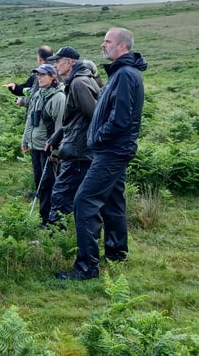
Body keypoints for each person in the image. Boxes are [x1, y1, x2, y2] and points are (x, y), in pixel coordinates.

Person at [57, 27, 147, 281]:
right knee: (113, 200)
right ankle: (117, 252)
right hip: (114, 150)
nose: (102, 45)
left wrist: (97, 138)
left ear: (122, 46)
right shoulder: (122, 73)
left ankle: (86, 268)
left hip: (111, 151)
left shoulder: (126, 75)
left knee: (84, 201)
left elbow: (120, 120)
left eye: (107, 41)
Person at [45, 47, 101, 228]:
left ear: (69, 62)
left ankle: (56, 238)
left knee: (61, 194)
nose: (55, 65)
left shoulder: (78, 83)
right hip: (78, 148)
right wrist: (57, 136)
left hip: (78, 152)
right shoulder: (81, 80)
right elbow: (76, 118)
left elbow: (93, 116)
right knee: (73, 194)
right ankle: (69, 234)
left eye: (58, 61)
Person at [21, 63, 65, 224]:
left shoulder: (59, 98)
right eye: (38, 74)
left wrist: (56, 151)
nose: (38, 77)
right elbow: (30, 120)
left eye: (42, 75)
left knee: (48, 184)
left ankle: (50, 220)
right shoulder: (38, 94)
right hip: (35, 146)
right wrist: (25, 139)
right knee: (40, 182)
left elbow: (61, 127)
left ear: (53, 77)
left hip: (48, 148)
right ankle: (45, 217)